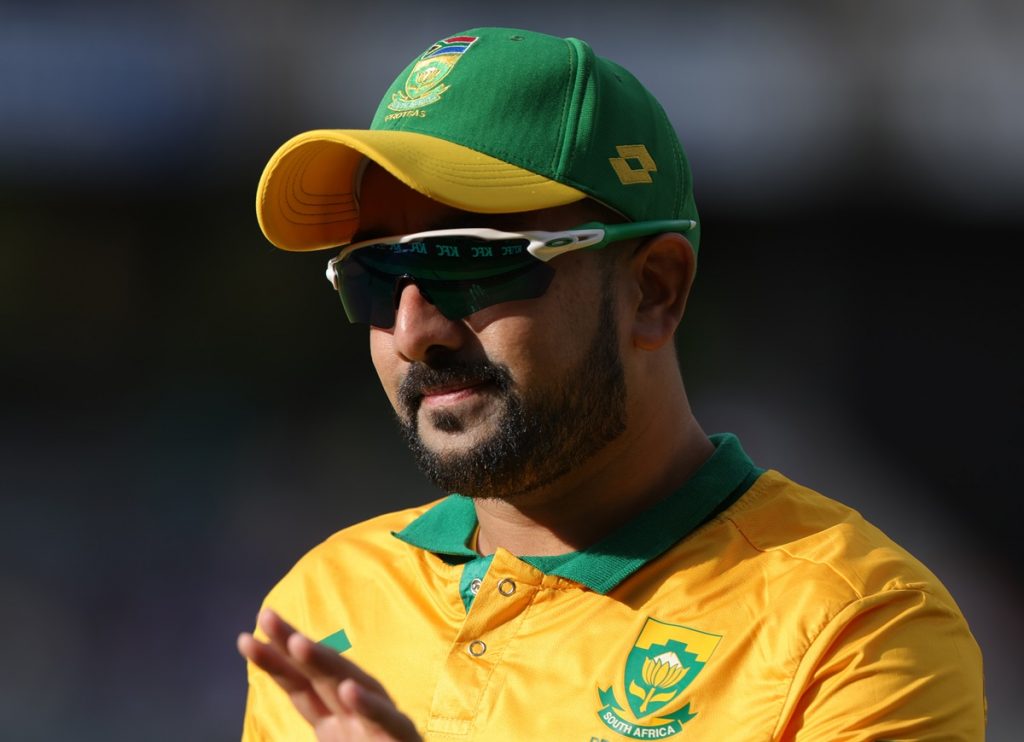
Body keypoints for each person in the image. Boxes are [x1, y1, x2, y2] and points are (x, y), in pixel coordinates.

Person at [237, 27, 986, 741]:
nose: (412, 332)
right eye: (375, 277)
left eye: (465, 260)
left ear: (653, 290)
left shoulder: (856, 628)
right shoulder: (320, 608)